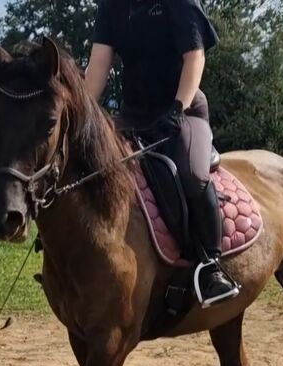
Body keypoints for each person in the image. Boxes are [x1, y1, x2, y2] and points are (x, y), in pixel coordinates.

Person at [85, 0, 239, 307]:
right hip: (132, 116)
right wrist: (83, 116)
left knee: (192, 175)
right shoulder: (112, 7)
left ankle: (209, 265)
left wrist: (178, 108)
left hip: (182, 111)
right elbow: (99, 64)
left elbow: (195, 57)